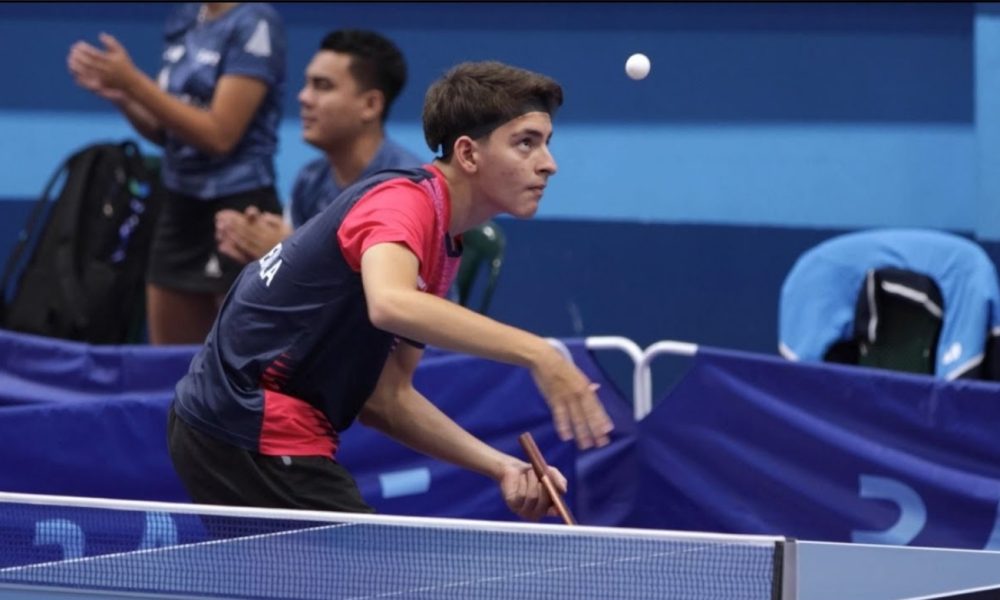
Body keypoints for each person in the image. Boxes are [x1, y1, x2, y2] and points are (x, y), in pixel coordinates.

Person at [167, 60, 614, 521]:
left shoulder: (443, 241)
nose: (549, 164)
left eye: (546, 143)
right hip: (250, 419)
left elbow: (386, 399)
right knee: (363, 563)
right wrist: (539, 354)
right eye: (526, 143)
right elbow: (390, 303)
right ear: (468, 153)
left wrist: (501, 467)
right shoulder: (402, 204)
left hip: (232, 425)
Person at [66, 2, 286, 345]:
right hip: (179, 205)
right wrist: (122, 95)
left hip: (239, 207)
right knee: (169, 362)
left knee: (242, 357)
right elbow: (165, 130)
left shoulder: (254, 22)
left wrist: (133, 82)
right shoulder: (186, 20)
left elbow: (220, 135)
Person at [215, 29, 422, 265]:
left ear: (370, 105)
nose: (304, 97)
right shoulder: (310, 180)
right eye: (307, 84)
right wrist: (260, 248)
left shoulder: (406, 189)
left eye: (323, 86)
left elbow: (392, 284)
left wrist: (287, 251)